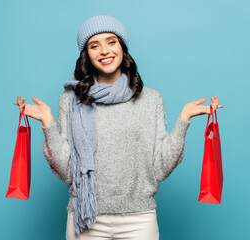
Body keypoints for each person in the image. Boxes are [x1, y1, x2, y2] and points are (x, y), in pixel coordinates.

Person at [13, 14, 224, 240]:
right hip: (85, 218)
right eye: (95, 45)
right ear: (87, 55)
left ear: (122, 47)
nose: (104, 51)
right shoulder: (71, 101)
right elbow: (67, 172)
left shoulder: (150, 100)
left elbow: (161, 168)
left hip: (139, 219)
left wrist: (184, 120)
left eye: (111, 42)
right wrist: (48, 124)